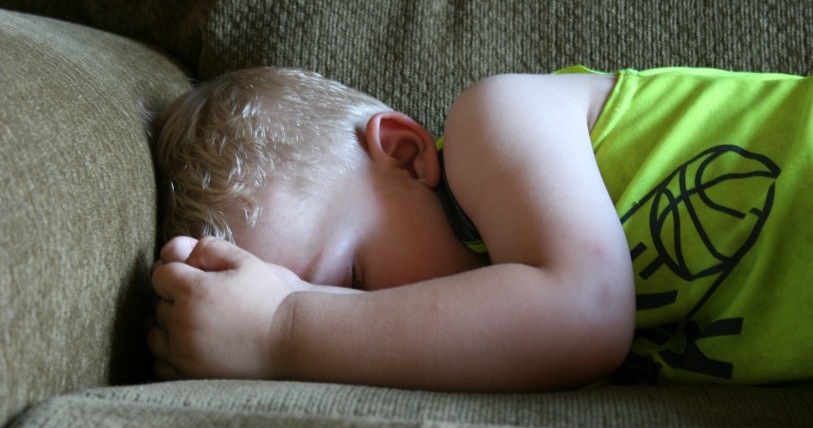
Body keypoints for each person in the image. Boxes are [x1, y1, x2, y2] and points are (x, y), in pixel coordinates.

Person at [148, 66, 813, 391]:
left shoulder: (494, 123)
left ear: (404, 154)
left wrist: (282, 330)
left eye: (352, 282)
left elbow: (586, 313)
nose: (362, 325)